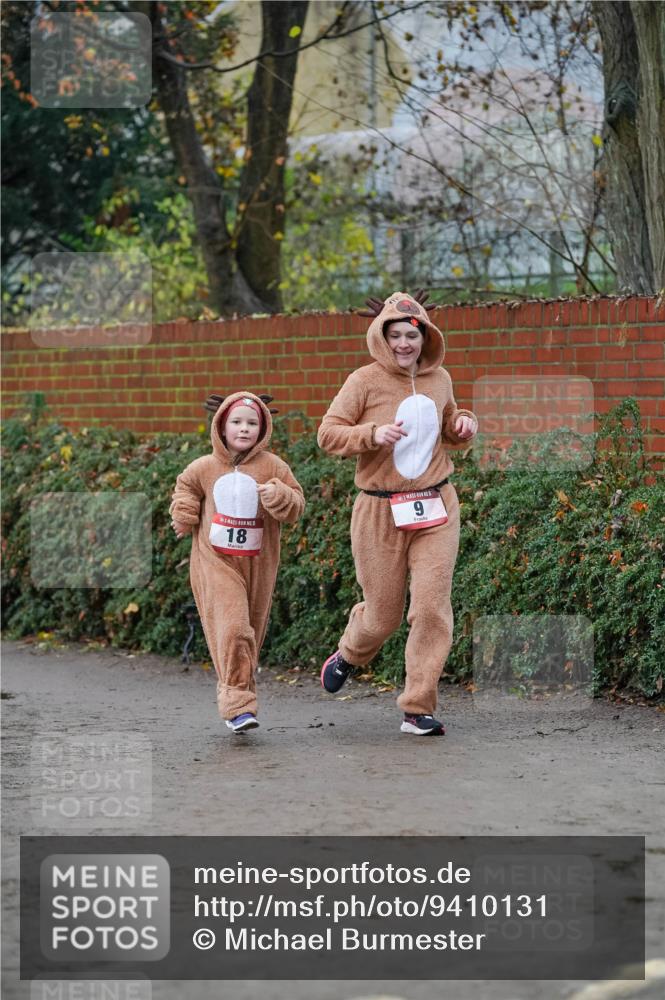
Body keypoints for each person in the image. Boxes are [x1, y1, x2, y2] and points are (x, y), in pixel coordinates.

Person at [317, 290, 478, 736]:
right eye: (396, 335)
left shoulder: (440, 378)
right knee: (383, 616)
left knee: (430, 608)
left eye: (412, 335)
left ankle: (418, 707)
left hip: (436, 505)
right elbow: (328, 434)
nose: (405, 343)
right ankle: (349, 652)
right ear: (381, 338)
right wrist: (372, 434)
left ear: (425, 337)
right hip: (379, 510)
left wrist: (463, 423)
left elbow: (447, 425)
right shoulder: (363, 381)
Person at [170, 391, 304, 733]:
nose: (244, 429)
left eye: (252, 423)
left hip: (258, 563)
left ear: (263, 428)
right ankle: (237, 705)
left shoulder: (274, 466)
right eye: (237, 422)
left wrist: (279, 495)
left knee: (250, 633)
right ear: (221, 425)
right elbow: (185, 488)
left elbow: (296, 504)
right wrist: (184, 513)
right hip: (214, 560)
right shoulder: (203, 466)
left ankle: (241, 698)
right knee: (233, 627)